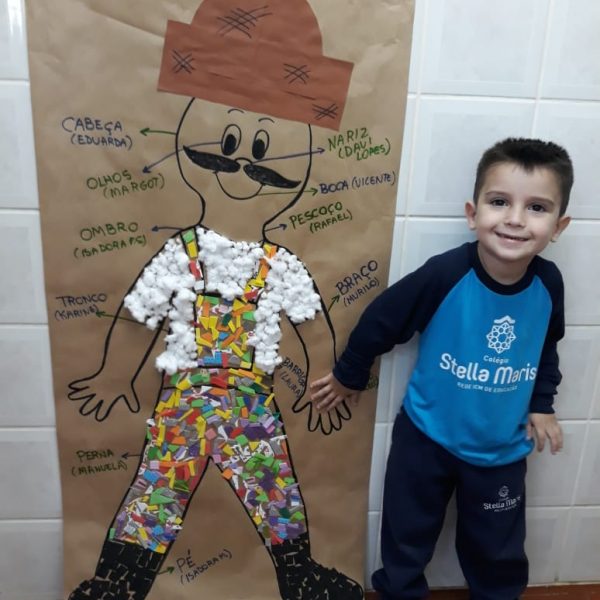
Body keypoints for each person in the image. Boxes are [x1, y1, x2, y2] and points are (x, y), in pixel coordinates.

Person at [310, 137, 574, 600]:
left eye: (536, 207)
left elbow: (545, 348)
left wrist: (542, 404)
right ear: (473, 214)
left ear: (558, 226)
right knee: (406, 539)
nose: (515, 219)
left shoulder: (549, 284)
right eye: (499, 202)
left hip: (501, 451)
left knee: (497, 552)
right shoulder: (446, 273)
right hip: (425, 439)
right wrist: (350, 373)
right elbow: (383, 319)